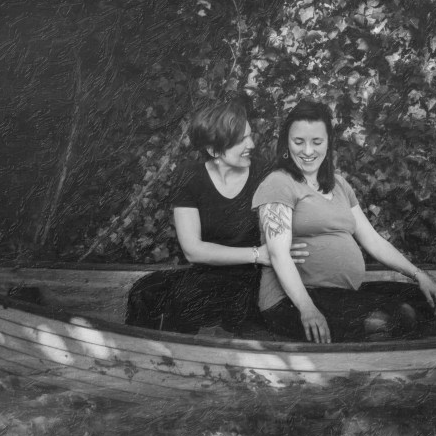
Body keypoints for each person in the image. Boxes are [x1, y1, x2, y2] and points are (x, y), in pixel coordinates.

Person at [252, 100, 436, 343]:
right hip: (293, 300)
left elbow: (372, 240)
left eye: (316, 142)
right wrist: (307, 309)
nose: (307, 151)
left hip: (341, 294)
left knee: (421, 299)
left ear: (328, 142)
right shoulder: (279, 183)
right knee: (386, 320)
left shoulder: (339, 184)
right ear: (286, 143)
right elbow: (278, 254)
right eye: (299, 142)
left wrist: (418, 274)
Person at [126, 98, 307, 333]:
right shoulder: (189, 176)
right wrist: (257, 254)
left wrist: (274, 252)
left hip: (252, 276)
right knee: (143, 292)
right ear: (213, 150)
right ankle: (140, 353)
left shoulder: (266, 174)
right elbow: (193, 250)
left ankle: (183, 354)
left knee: (187, 302)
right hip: (210, 270)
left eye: (250, 136)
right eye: (241, 140)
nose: (251, 144)